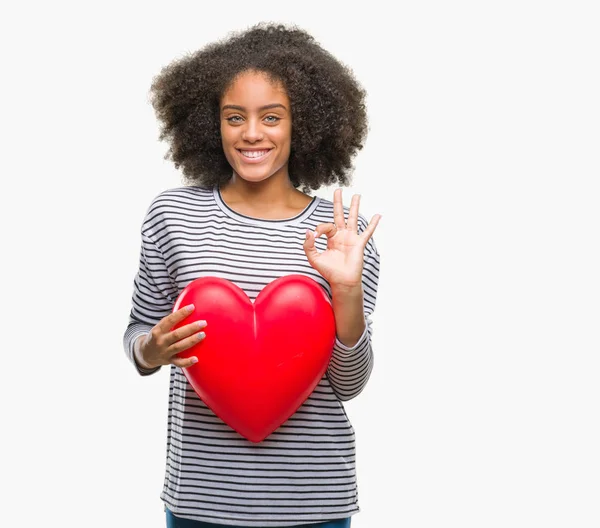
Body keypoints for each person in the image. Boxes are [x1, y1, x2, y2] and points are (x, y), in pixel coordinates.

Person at [123, 21, 381, 528]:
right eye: (234, 117)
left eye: (272, 117)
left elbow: (349, 385)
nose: (252, 133)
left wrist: (346, 291)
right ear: (211, 124)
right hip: (202, 500)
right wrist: (151, 349)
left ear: (301, 124)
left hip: (314, 502)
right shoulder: (172, 216)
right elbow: (138, 334)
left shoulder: (341, 236)